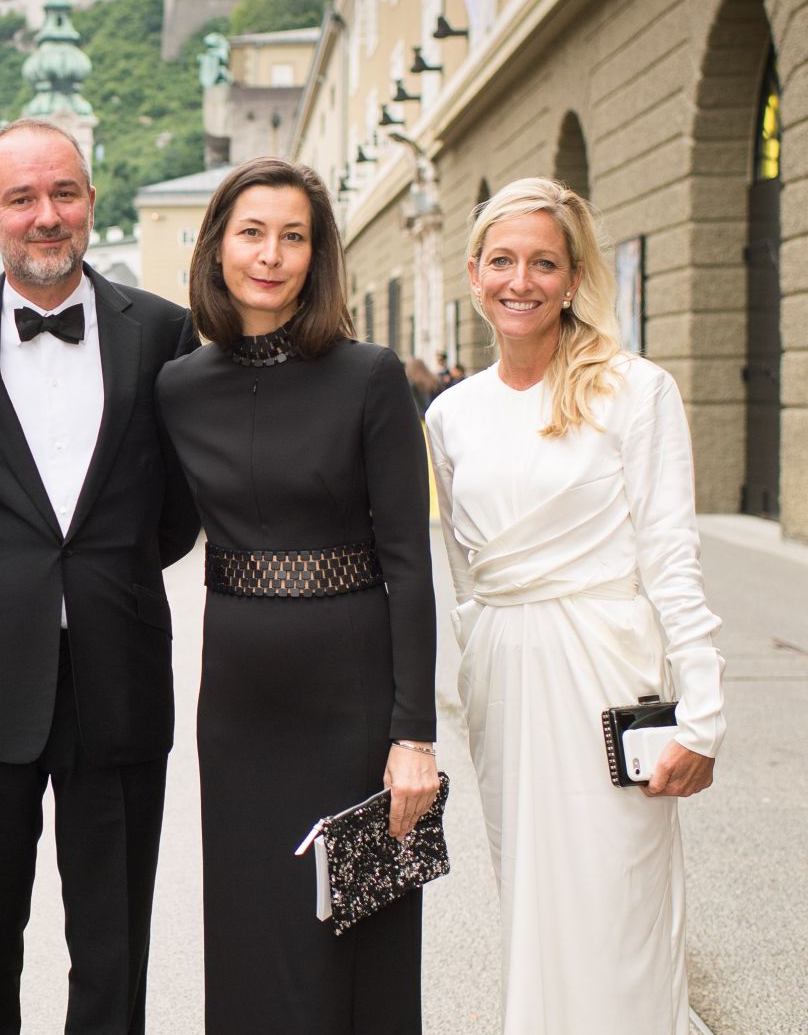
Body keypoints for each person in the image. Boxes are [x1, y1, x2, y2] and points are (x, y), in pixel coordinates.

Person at [0, 119, 199, 1035]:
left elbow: (180, 502)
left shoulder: (162, 330)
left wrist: (106, 576)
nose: (46, 215)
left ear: (91, 205)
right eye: (22, 199)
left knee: (113, 945)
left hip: (120, 664)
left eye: (63, 193)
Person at [427, 178, 725, 1034]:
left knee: (618, 899)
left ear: (572, 276)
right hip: (505, 683)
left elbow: (673, 556)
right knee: (532, 896)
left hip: (608, 676)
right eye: (503, 260)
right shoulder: (450, 414)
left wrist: (702, 713)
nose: (521, 280)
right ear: (476, 273)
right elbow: (468, 575)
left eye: (544, 263)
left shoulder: (636, 389)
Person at [156, 157, 439, 1032]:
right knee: (249, 927)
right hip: (238, 704)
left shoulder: (370, 375)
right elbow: (155, 528)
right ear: (217, 248)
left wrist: (414, 734)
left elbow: (409, 563)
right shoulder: (178, 387)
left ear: (317, 257)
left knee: (355, 929)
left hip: (348, 698)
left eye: (293, 236)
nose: (271, 255)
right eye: (252, 232)